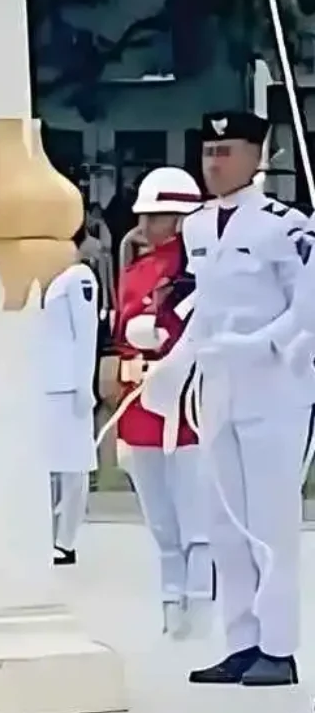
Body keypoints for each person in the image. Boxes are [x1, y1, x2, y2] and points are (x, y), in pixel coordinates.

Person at [151, 112, 311, 686]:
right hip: (217, 385)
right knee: (224, 521)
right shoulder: (195, 228)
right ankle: (241, 640)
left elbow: (307, 305)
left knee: (270, 520)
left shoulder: (284, 225)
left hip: (274, 384)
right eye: (209, 151)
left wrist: (260, 343)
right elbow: (205, 313)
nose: (214, 163)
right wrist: (174, 366)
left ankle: (278, 646)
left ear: (255, 157)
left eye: (227, 151)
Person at [114, 166, 213, 638]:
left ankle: (199, 607)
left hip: (188, 408)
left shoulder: (199, 269)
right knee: (160, 522)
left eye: (156, 216)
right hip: (141, 405)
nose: (146, 225)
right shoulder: (136, 272)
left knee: (195, 521)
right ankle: (171, 605)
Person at [41, 239, 99, 565]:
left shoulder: (78, 277)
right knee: (51, 466)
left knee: (74, 467)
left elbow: (86, 333)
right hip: (48, 385)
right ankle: (49, 535)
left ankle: (66, 540)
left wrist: (83, 385)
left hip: (69, 385)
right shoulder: (48, 280)